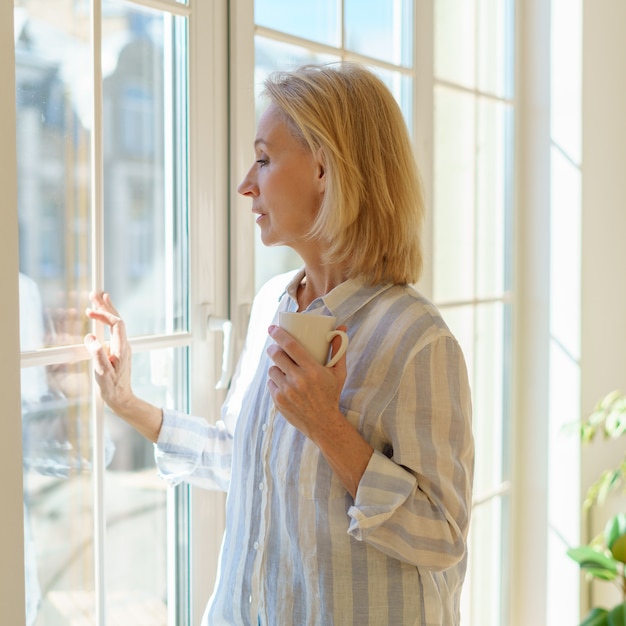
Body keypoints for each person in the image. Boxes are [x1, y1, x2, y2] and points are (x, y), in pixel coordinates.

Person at [84, 62, 474, 625]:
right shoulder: (274, 305)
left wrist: (329, 428)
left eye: (264, 159)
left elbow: (441, 536)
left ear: (324, 167)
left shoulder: (416, 339)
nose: (247, 182)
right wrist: (129, 403)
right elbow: (247, 464)